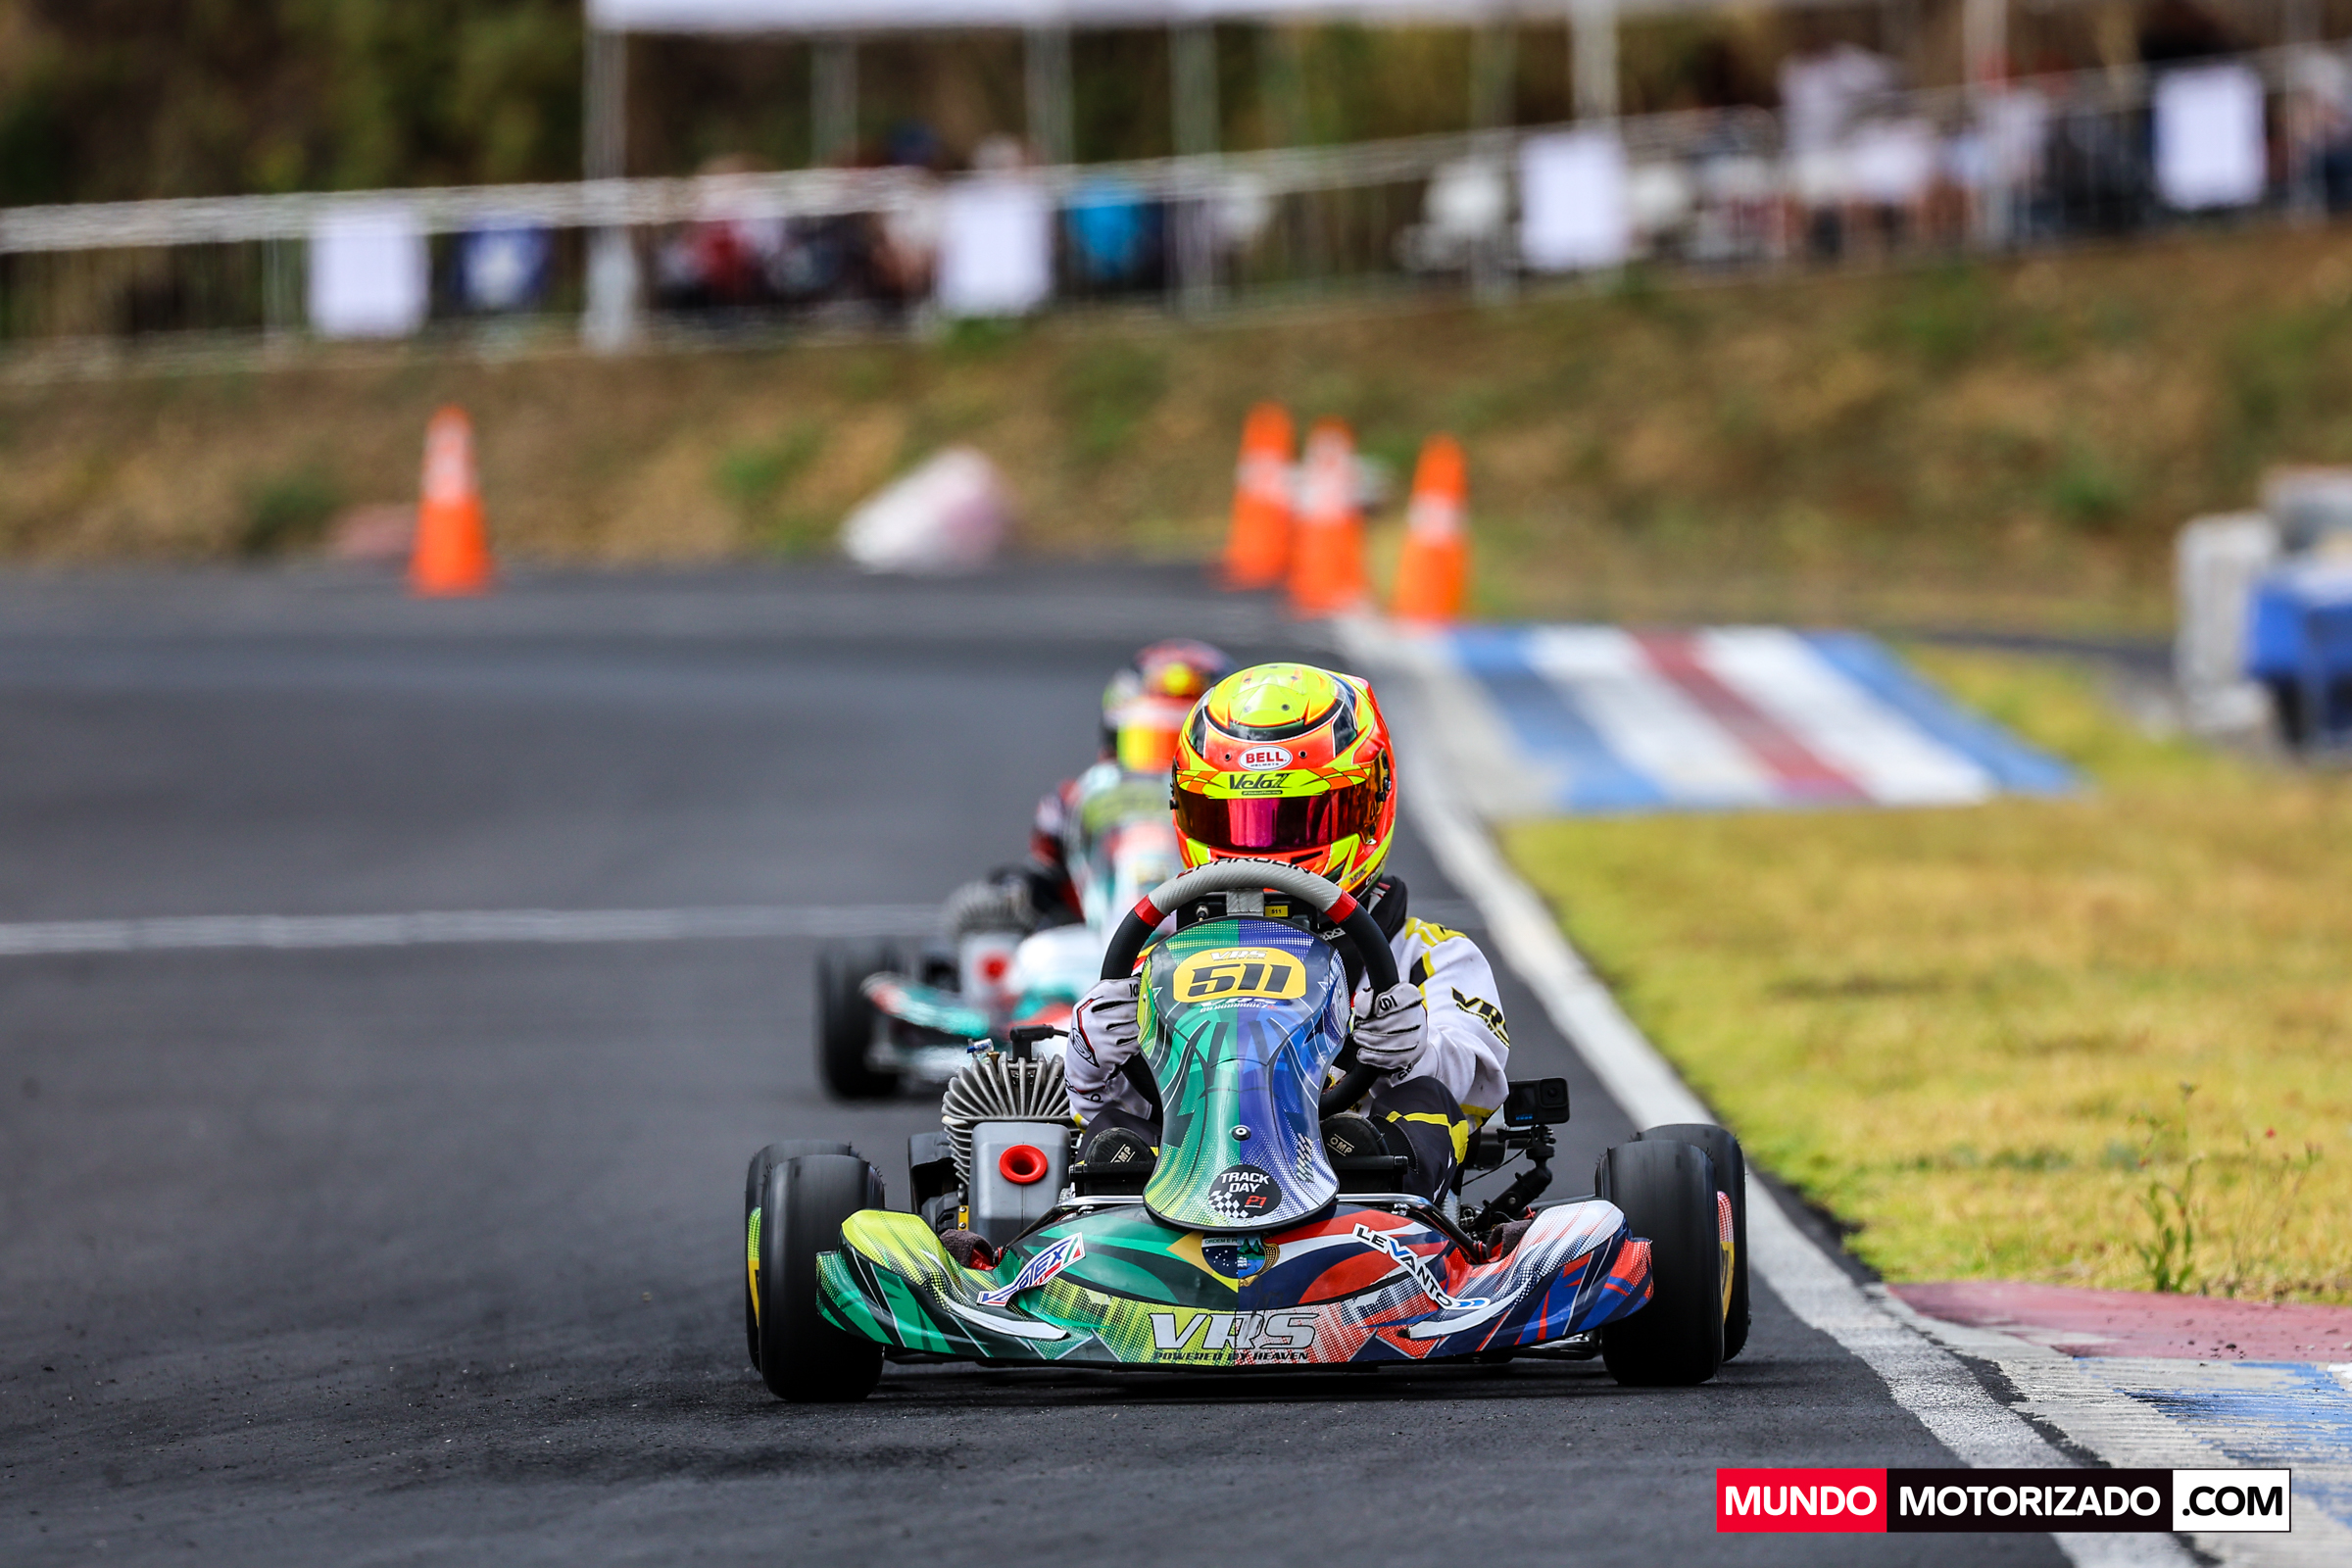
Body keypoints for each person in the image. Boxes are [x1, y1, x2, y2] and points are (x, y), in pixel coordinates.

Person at [1062, 662, 1512, 1211]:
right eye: (1236, 822)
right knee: (1111, 1139)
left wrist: (1415, 1052)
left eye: (1297, 820)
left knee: (1426, 1101)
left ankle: (1391, 1222)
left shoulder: (1427, 955)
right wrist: (1089, 1055)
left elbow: (1479, 1081)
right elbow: (1105, 1109)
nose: (1264, 853)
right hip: (1188, 1193)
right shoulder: (1159, 963)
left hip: (1357, 1198)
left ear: (1370, 803)